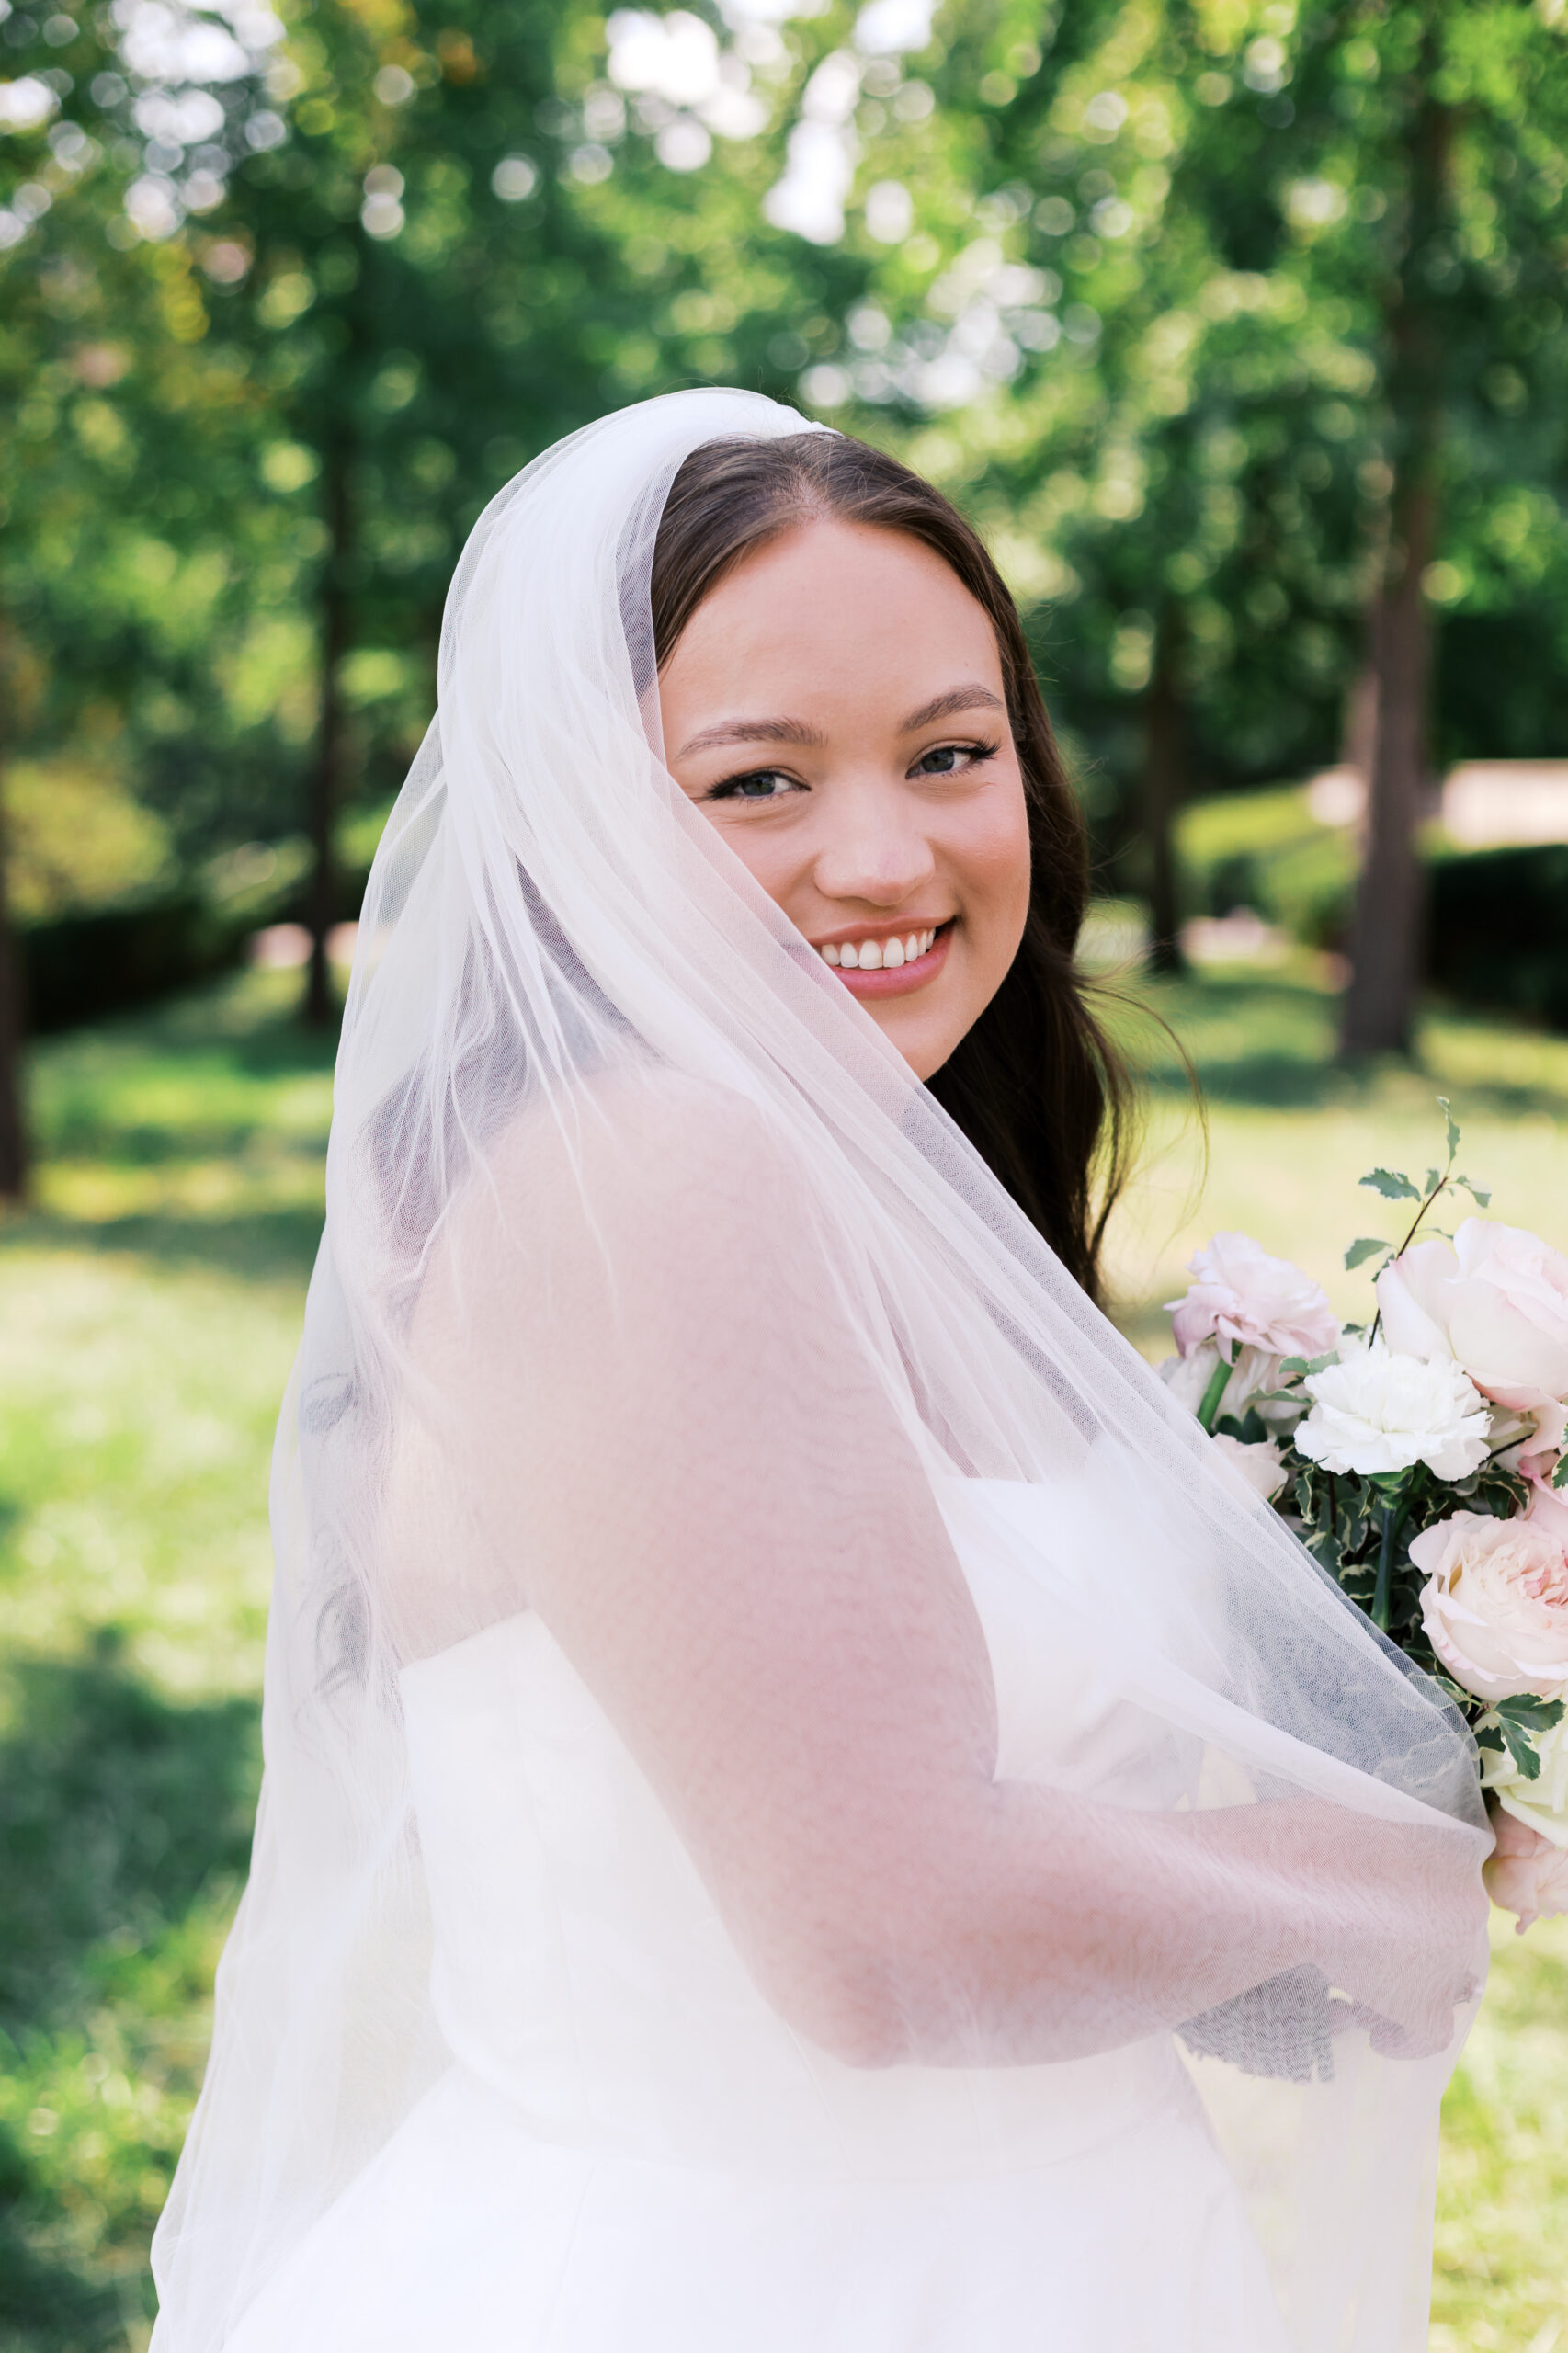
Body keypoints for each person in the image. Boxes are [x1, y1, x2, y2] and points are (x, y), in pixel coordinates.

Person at [151, 391, 1489, 2353]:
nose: (883, 854)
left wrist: (1455, 1738)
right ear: (581, 814)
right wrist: (1389, 1877)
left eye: (951, 752)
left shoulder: (881, 1183)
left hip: (1071, 2249)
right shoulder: (651, 1177)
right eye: (756, 780)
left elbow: (1039, 1859)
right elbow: (884, 1934)